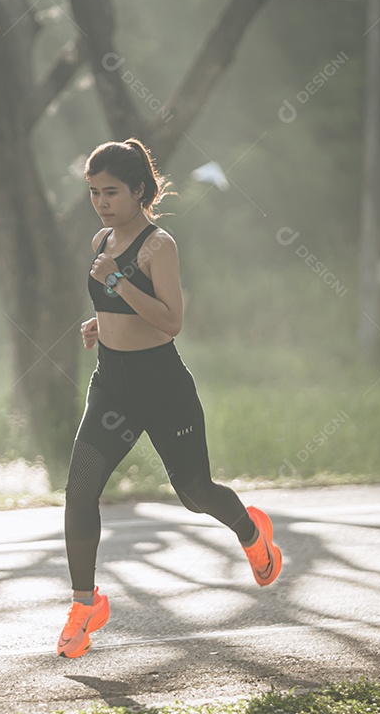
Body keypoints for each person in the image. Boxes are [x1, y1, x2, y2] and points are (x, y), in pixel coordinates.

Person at [56, 138, 282, 659]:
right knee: (79, 491)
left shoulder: (161, 246)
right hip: (112, 384)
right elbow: (121, 310)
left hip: (161, 387)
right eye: (93, 193)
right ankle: (85, 604)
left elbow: (170, 320)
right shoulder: (100, 240)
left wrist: (117, 283)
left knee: (194, 492)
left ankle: (252, 532)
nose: (102, 203)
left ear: (139, 190)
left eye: (111, 192)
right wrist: (100, 324)